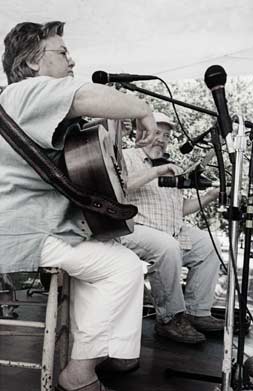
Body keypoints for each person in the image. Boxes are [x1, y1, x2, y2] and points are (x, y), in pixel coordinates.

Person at [0, 21, 157, 391]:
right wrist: (142, 108)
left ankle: (105, 354)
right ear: (34, 61)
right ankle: (80, 372)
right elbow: (86, 97)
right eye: (63, 52)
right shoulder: (30, 89)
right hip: (28, 232)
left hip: (30, 227)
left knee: (106, 254)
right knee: (123, 268)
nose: (72, 60)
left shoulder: (18, 98)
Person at [121, 111, 224, 344]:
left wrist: (209, 196)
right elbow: (122, 186)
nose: (162, 139)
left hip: (171, 229)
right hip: (135, 228)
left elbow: (180, 209)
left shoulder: (172, 166)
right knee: (166, 246)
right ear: (140, 132)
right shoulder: (125, 156)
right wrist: (156, 171)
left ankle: (197, 312)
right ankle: (169, 319)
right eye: (157, 132)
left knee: (210, 244)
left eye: (166, 135)